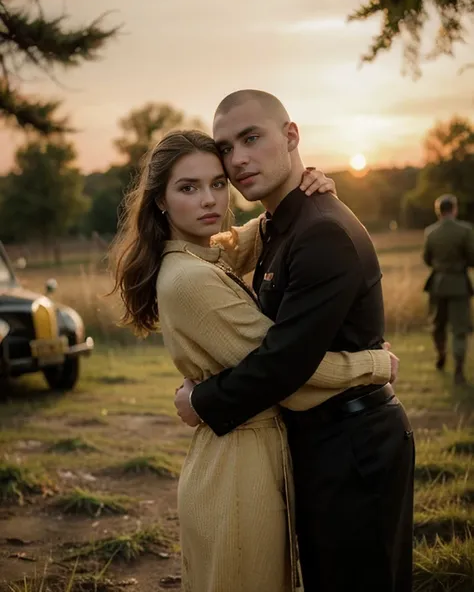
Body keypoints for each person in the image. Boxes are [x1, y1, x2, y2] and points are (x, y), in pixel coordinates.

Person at [110, 129, 397, 592]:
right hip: (237, 472)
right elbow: (288, 372)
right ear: (160, 201)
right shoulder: (189, 279)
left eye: (218, 184)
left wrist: (306, 192)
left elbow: (257, 233)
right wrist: (375, 365)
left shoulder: (204, 253)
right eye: (188, 188)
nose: (210, 200)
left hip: (249, 454)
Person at [175, 91, 415, 592]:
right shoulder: (280, 224)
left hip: (354, 448)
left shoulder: (320, 231)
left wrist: (202, 399)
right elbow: (229, 251)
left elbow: (285, 365)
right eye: (226, 147)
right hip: (317, 441)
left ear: (291, 135)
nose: (237, 158)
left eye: (251, 137)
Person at [423, 193, 474, 385]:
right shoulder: (465, 230)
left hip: (437, 284)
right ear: (454, 209)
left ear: (438, 211)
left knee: (438, 325)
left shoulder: (430, 232)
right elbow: (472, 256)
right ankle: (459, 370)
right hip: (459, 284)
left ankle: (441, 355)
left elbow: (427, 259)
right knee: (459, 329)